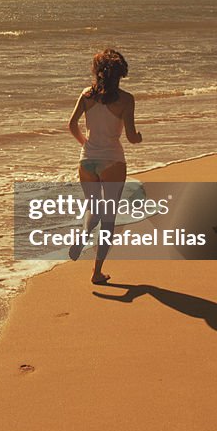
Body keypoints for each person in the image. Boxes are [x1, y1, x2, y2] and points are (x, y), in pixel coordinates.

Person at [67, 48, 143, 284]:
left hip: (86, 160)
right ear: (121, 74)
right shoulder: (126, 99)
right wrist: (139, 137)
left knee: (93, 208)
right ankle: (97, 272)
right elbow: (130, 137)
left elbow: (71, 125)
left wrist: (85, 145)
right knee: (108, 218)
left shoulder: (86, 95)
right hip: (112, 161)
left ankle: (82, 235)